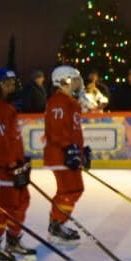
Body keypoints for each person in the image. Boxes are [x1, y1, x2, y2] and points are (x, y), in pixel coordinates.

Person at [0, 69, 36, 260]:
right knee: (5, 208)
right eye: (6, 83)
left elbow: (13, 139)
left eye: (11, 83)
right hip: (4, 170)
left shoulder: (9, 108)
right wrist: (9, 163)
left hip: (15, 167)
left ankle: (13, 239)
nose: (11, 87)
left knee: (22, 201)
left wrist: (21, 161)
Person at [43, 65, 87, 242]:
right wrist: (70, 148)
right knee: (68, 190)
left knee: (75, 189)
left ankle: (58, 223)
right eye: (74, 79)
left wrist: (81, 151)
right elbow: (56, 130)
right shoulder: (58, 101)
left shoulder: (71, 102)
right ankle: (56, 225)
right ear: (64, 81)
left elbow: (73, 130)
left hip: (68, 153)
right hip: (60, 155)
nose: (78, 83)